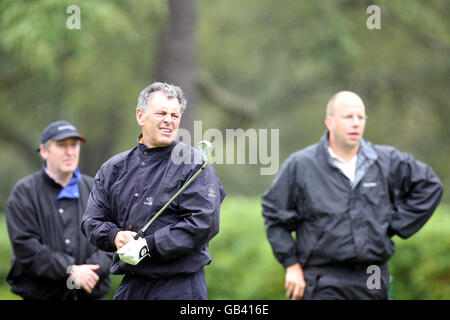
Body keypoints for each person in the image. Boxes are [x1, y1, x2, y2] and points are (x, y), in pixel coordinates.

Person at [261, 91, 443, 300]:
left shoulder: (386, 161)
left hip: (372, 273)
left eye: (361, 117)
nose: (356, 123)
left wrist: (393, 225)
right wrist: (291, 265)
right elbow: (274, 216)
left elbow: (430, 186)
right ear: (329, 122)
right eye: (348, 117)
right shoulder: (301, 165)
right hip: (322, 276)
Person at [81, 82, 226, 300]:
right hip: (132, 285)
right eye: (161, 113)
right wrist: (115, 236)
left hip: (181, 287)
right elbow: (91, 220)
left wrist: (149, 245)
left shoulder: (195, 164)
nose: (169, 120)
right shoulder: (113, 168)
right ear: (140, 116)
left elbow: (203, 224)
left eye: (174, 115)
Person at [6, 120, 112, 300]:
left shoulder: (96, 188)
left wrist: (89, 271)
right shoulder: (23, 193)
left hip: (91, 295)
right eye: (62, 145)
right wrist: (69, 270)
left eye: (74, 145)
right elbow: (25, 247)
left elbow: (111, 238)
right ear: (44, 151)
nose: (70, 152)